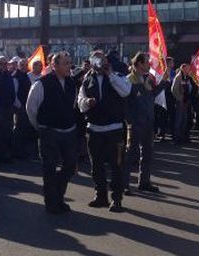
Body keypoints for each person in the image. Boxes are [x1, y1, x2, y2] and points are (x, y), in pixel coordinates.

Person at [78, 50, 131, 212]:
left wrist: (110, 74)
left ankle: (116, 199)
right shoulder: (87, 80)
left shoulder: (118, 76)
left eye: (101, 60)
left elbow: (125, 91)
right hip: (94, 129)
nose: (98, 64)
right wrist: (87, 102)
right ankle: (101, 195)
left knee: (116, 165)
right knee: (97, 166)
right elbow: (80, 103)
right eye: (95, 60)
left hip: (114, 129)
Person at [26, 51, 78, 214]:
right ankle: (52, 203)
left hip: (68, 131)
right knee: (49, 168)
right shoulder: (41, 84)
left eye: (70, 63)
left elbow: (73, 104)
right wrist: (41, 127)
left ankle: (58, 195)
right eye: (65, 63)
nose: (69, 66)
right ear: (54, 66)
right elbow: (31, 108)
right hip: (49, 132)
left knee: (69, 165)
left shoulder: (71, 83)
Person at [123, 52, 170, 195]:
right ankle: (124, 184)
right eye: (146, 62)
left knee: (148, 154)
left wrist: (164, 81)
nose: (149, 64)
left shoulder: (147, 79)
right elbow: (124, 104)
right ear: (139, 64)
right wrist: (130, 121)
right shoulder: (128, 80)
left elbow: (153, 94)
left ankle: (144, 182)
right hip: (135, 124)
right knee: (131, 155)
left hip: (148, 123)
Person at [12, 58, 36, 160]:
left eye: (25, 64)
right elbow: (14, 94)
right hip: (20, 108)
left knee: (25, 130)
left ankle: (23, 152)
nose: (24, 66)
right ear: (18, 65)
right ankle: (17, 152)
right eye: (22, 64)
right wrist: (20, 106)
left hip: (26, 107)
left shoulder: (25, 75)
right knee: (19, 130)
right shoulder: (15, 77)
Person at [172, 64, 194, 145]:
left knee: (184, 120)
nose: (189, 70)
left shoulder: (187, 77)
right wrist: (179, 98)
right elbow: (173, 89)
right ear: (183, 69)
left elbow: (190, 87)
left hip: (186, 101)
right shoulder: (178, 77)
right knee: (179, 120)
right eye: (187, 68)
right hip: (180, 102)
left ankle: (182, 137)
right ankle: (177, 138)